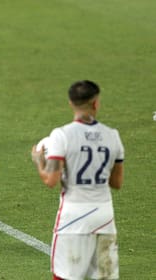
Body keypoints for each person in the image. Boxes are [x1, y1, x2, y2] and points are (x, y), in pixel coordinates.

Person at [31, 80, 124, 279]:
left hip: (73, 220)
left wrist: (39, 162)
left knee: (64, 276)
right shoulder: (112, 136)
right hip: (104, 216)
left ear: (71, 103)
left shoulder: (62, 135)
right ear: (96, 103)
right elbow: (116, 183)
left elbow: (50, 180)